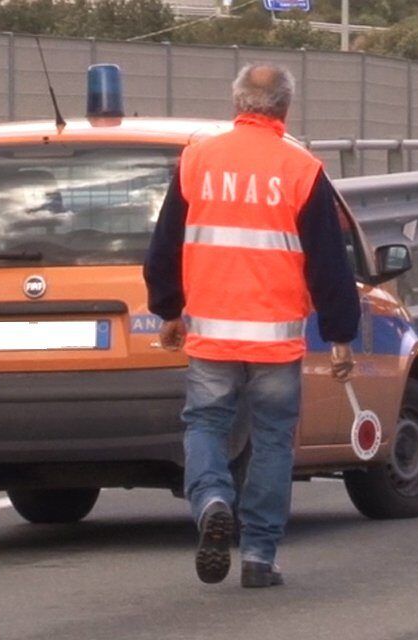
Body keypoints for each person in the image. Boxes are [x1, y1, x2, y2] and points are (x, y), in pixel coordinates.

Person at [143, 63, 360, 588]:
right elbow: (329, 262)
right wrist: (340, 334)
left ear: (238, 103)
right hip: (275, 339)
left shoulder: (197, 160)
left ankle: (212, 501)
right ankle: (260, 555)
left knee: (206, 425)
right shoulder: (302, 169)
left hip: (212, 334)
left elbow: (165, 245)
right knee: (271, 441)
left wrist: (168, 310)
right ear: (285, 107)